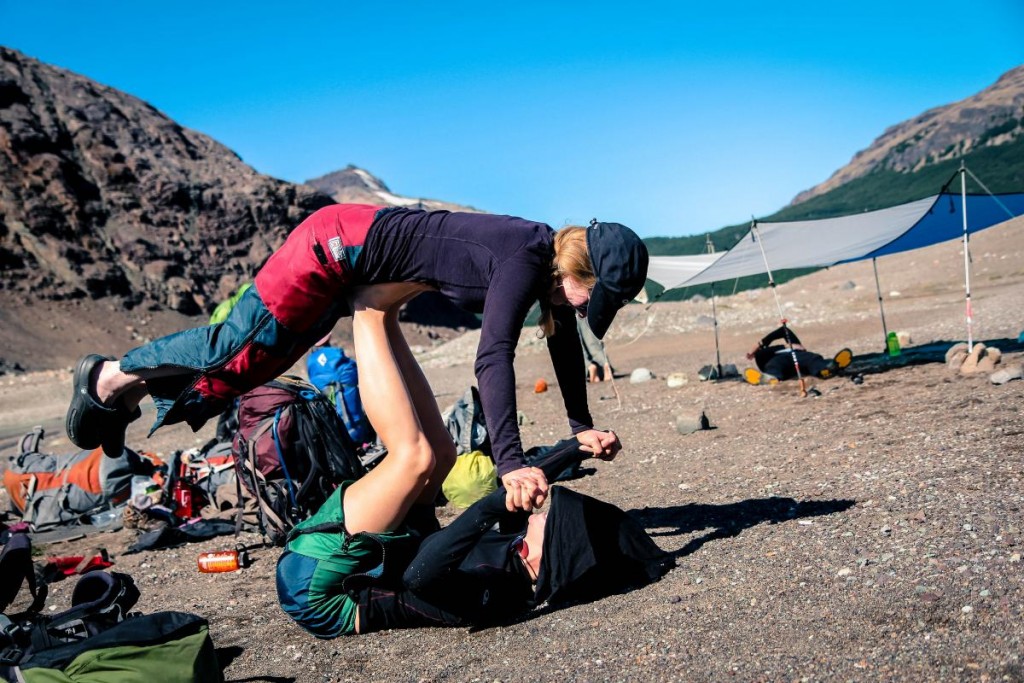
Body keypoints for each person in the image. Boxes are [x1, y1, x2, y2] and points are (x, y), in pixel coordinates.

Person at [65, 204, 649, 515]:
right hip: (336, 245)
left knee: (255, 367)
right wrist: (512, 461)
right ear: (577, 271)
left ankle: (129, 397)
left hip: (353, 263)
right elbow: (492, 357)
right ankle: (107, 375)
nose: (589, 310)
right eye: (595, 297)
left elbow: (566, 352)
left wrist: (581, 426)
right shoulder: (526, 258)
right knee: (236, 347)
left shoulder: (549, 276)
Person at [276, 439, 674, 637]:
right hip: (383, 556)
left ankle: (374, 315)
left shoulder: (499, 590)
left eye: (553, 519)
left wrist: (490, 508)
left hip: (322, 595)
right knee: (438, 450)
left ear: (544, 555)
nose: (545, 511)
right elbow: (522, 488)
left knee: (414, 457)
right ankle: (384, 316)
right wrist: (575, 449)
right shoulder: (519, 551)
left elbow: (420, 576)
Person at [743, 325, 852, 385]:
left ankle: (827, 370)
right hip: (778, 362)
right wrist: (760, 345)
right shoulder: (766, 354)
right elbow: (760, 354)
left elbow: (783, 330)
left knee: (812, 359)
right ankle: (769, 378)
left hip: (799, 357)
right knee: (775, 366)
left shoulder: (794, 344)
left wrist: (792, 346)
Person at [577, 317, 615, 382]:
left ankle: (589, 366)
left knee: (577, 345)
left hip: (565, 311)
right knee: (592, 342)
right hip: (583, 310)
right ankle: (605, 363)